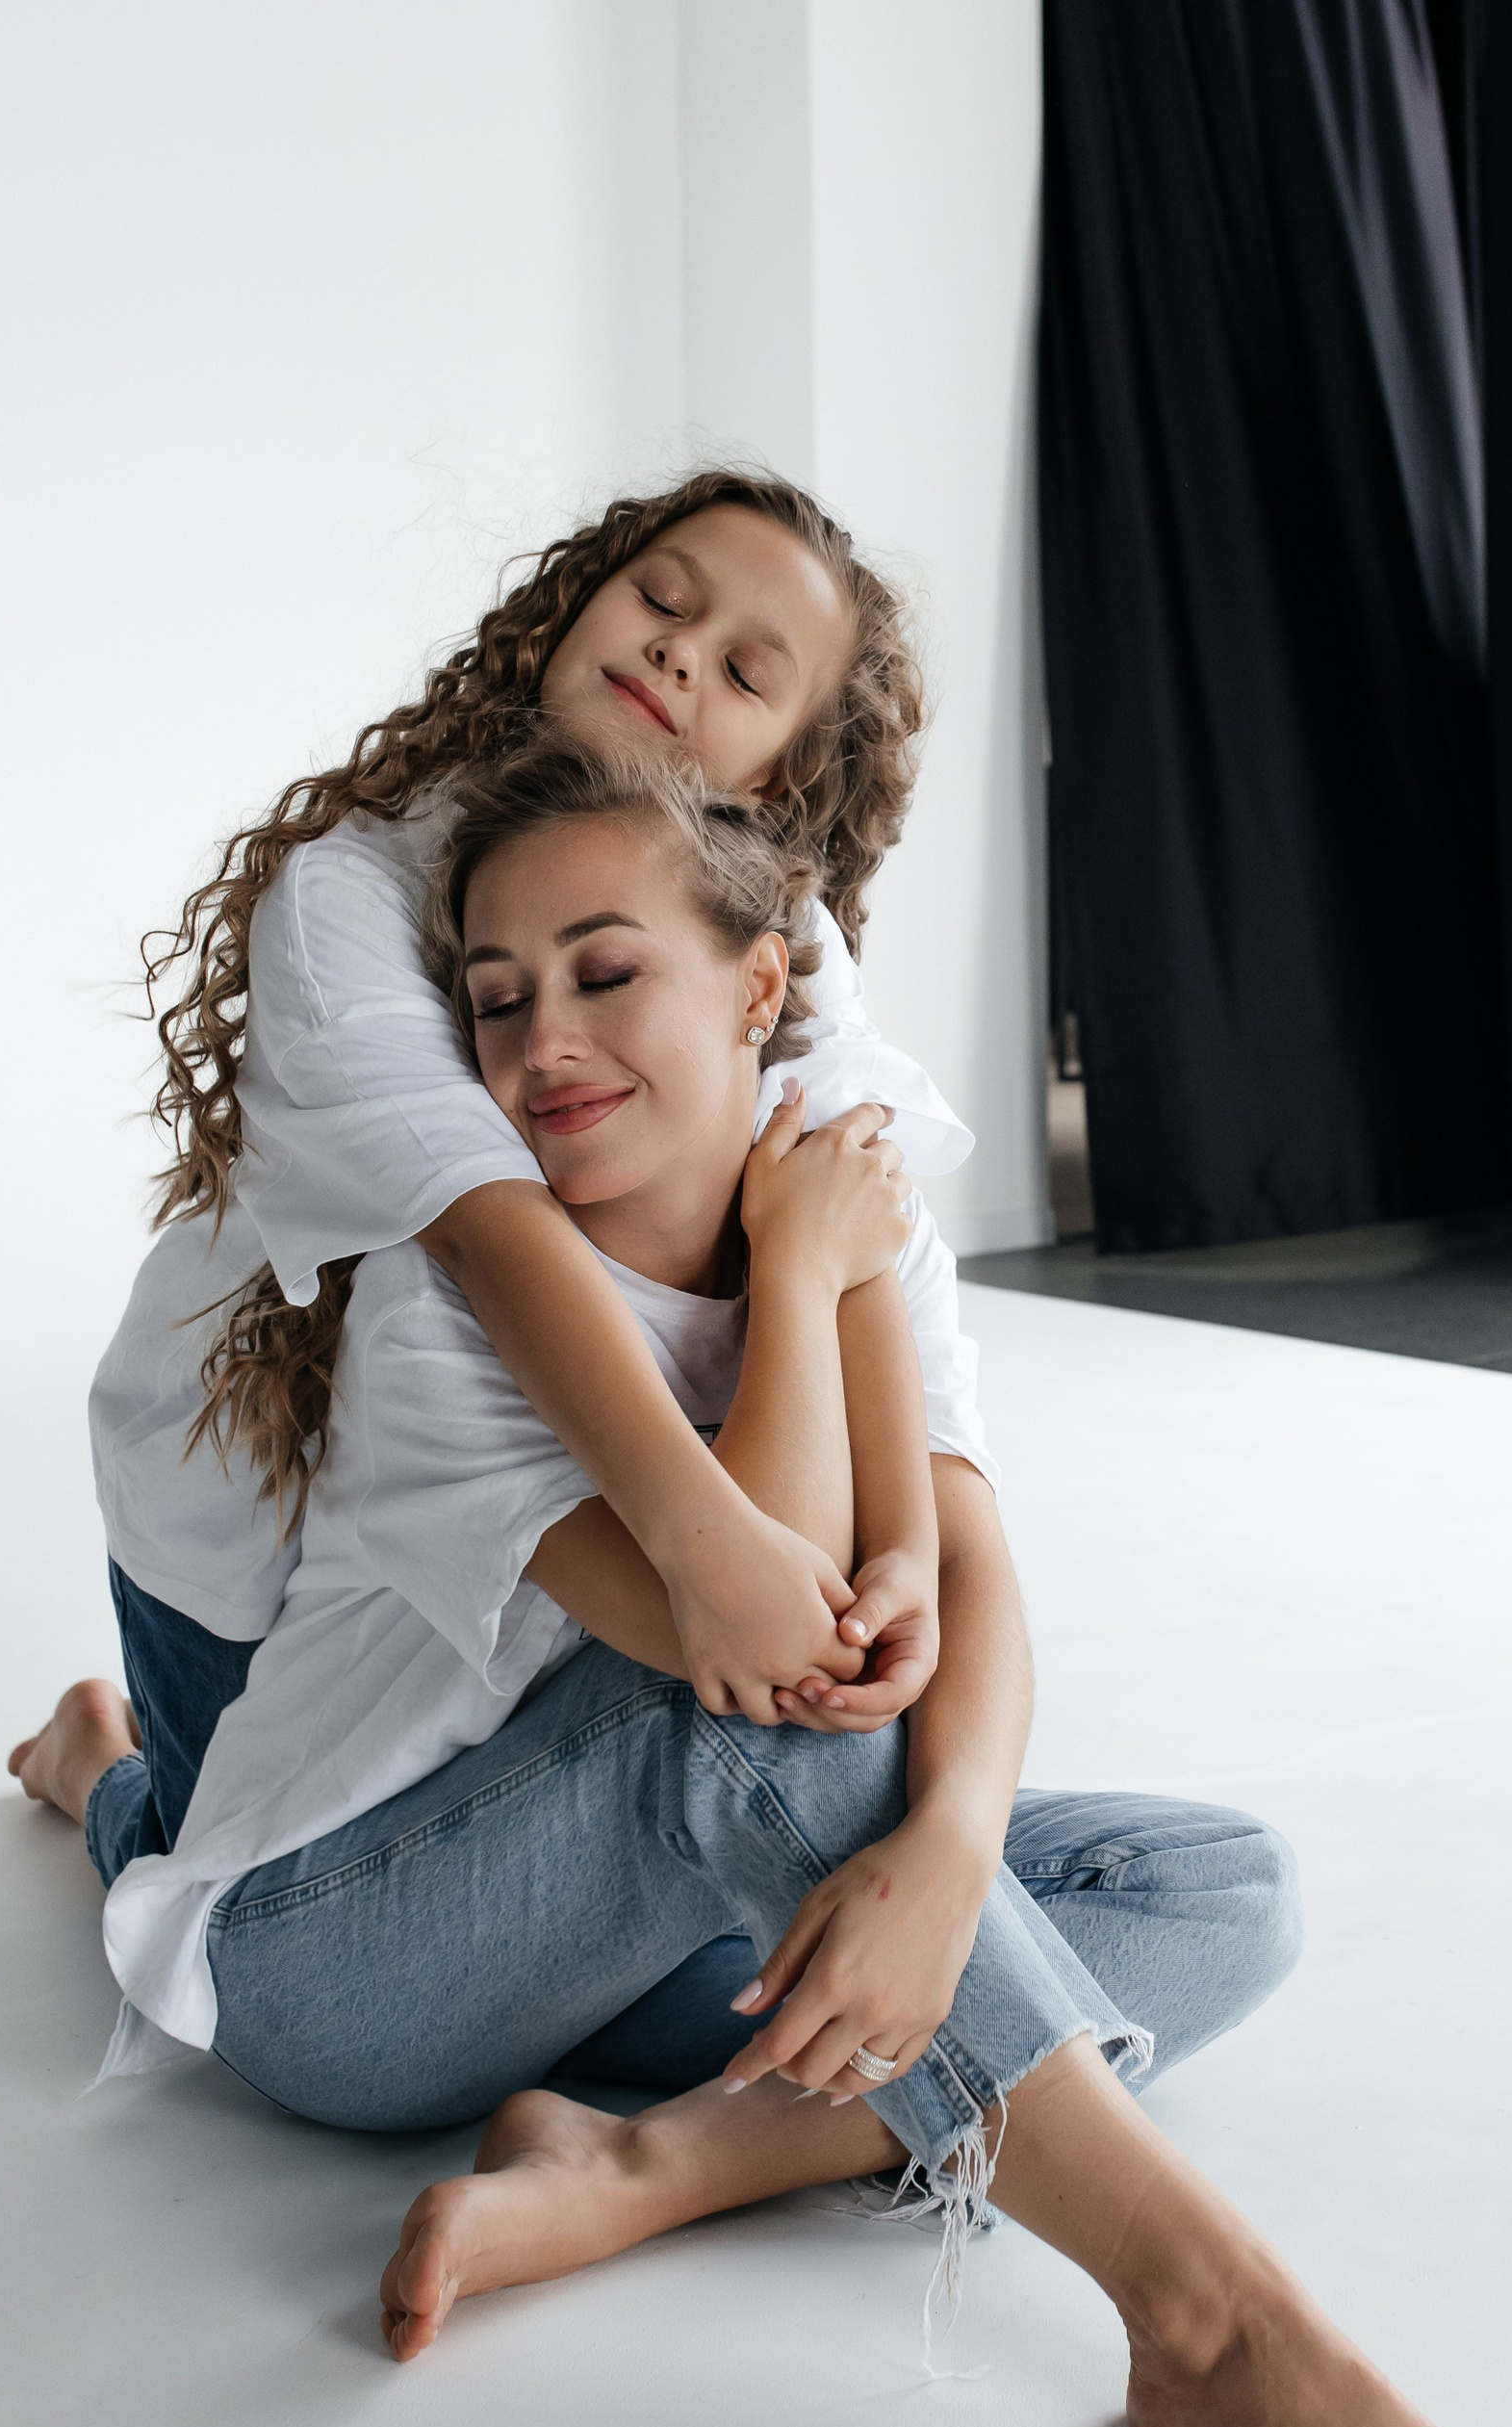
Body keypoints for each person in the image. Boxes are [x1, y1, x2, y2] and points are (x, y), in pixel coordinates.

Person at [13, 743, 1512, 2427]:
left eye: (605, 972)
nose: (541, 1042)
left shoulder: (843, 1207)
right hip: (345, 1968)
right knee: (758, 1734)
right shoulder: (450, 1319)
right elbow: (763, 1652)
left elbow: (958, 1585)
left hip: (625, 1947)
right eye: (495, 1001)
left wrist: (948, 1857)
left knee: (1216, 1890)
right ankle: (1211, 2325)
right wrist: (809, 1272)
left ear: (761, 988)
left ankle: (653, 2165)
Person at [66, 474, 973, 1924]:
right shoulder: (355, 893)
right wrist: (717, 1555)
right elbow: (496, 1238)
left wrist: (903, 1560)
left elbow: (848, 1209)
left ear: (780, 780)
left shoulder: (772, 939)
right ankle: (95, 1770)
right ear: (571, 607)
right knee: (209, 1864)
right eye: (660, 600)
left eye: (746, 671)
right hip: (252, 1484)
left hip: (544, 1488)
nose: (678, 652)